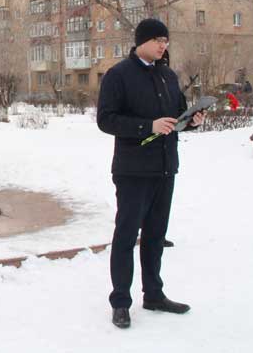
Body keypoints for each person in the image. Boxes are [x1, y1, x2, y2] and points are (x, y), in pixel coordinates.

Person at [97, 18, 205, 329]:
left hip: (165, 167)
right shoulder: (119, 75)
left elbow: (177, 116)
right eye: (158, 39)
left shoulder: (168, 75)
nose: (163, 45)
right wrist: (148, 126)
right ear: (141, 41)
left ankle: (154, 294)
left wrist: (192, 121)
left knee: (156, 236)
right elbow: (106, 120)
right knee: (126, 236)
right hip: (133, 171)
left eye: (166, 40)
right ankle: (120, 301)